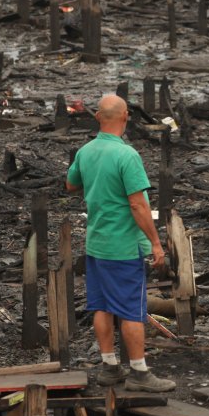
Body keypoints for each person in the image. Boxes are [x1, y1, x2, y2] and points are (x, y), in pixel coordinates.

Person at [65, 95, 175, 393]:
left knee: (101, 306)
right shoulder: (127, 156)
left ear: (98, 117)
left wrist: (97, 182)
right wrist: (156, 243)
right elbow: (138, 205)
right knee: (130, 310)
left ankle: (109, 366)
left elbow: (71, 184)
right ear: (126, 116)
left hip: (96, 243)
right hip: (123, 246)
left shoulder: (86, 151)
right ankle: (139, 373)